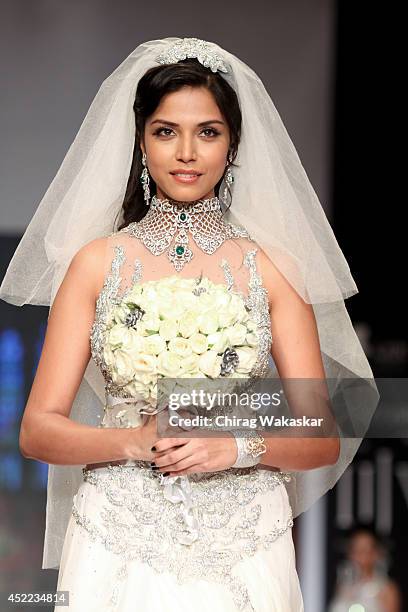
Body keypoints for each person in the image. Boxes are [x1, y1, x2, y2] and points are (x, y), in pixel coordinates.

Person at [0, 37, 379, 611]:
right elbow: (37, 430)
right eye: (165, 131)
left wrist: (236, 446)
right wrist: (134, 441)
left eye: (208, 132)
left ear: (232, 146)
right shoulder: (98, 263)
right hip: (119, 524)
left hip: (244, 529)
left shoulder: (273, 268)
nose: (186, 152)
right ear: (141, 142)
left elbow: (322, 432)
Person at [328, 528, 401, 612]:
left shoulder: (386, 589)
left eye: (365, 549)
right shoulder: (343, 585)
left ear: (376, 553)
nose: (359, 555)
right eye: (355, 549)